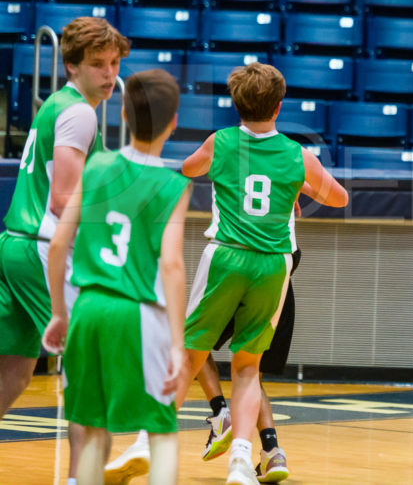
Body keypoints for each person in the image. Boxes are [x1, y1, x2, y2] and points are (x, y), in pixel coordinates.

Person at [107, 62, 349, 485]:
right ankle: (240, 461)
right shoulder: (298, 154)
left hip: (225, 256)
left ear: (237, 105)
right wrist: (296, 187)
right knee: (247, 367)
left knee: (190, 353)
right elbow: (338, 197)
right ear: (278, 106)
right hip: (273, 264)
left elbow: (187, 170)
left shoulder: (220, 142)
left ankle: (147, 440)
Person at [42, 69, 191, 485]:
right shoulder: (171, 185)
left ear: (123, 115)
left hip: (87, 307)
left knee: (92, 429)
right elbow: (172, 265)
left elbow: (57, 246)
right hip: (136, 313)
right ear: (174, 121)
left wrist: (59, 312)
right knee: (161, 428)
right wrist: (179, 346)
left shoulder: (96, 166)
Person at [0, 17, 129, 485]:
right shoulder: (80, 112)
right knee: (90, 374)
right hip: (41, 248)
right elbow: (62, 199)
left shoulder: (57, 104)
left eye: (114, 63)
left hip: (15, 245)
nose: (109, 73)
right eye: (98, 64)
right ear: (72, 65)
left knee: (13, 371)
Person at [195, 247, 301, 483]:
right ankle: (272, 451)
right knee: (251, 373)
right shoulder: (283, 211)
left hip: (237, 264)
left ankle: (220, 412)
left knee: (190, 344)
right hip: (277, 277)